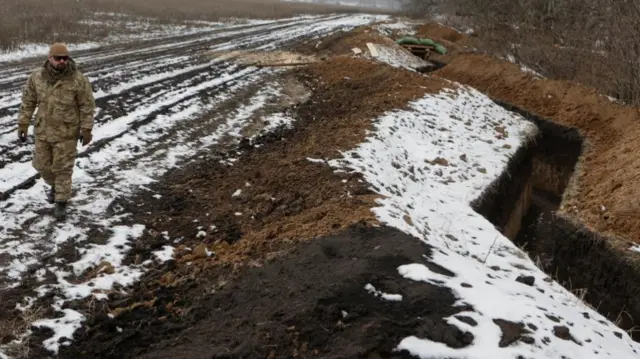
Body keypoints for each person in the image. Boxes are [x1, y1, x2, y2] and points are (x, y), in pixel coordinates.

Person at [17, 42, 96, 220]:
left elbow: (87, 105)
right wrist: (23, 123)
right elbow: (28, 100)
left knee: (63, 168)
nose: (62, 61)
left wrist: (87, 128)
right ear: (49, 58)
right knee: (42, 165)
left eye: (65, 58)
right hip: (43, 130)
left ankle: (61, 202)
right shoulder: (37, 77)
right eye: (58, 58)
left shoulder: (77, 79)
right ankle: (56, 187)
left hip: (67, 131)